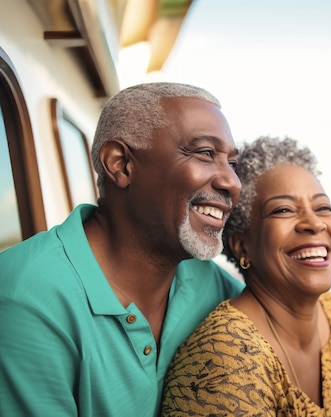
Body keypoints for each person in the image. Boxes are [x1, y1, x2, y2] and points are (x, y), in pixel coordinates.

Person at [0, 82, 244, 417]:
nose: (232, 181)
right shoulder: (26, 299)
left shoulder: (210, 284)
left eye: (231, 162)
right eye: (205, 153)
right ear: (121, 165)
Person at [161, 136, 331, 416]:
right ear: (242, 245)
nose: (315, 223)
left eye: (323, 208)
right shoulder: (223, 360)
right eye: (283, 210)